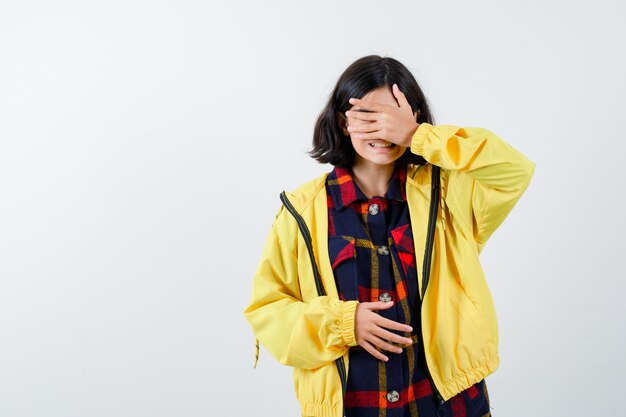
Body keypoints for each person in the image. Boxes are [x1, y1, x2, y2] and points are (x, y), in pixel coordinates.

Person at [242, 55, 536, 417]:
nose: (383, 132)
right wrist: (345, 324)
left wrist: (417, 137)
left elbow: (514, 170)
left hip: (447, 405)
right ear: (342, 122)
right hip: (352, 406)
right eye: (368, 117)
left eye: (394, 118)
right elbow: (268, 311)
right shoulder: (302, 211)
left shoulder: (448, 197)